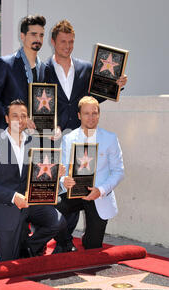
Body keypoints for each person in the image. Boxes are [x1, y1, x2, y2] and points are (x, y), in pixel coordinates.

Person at [44, 20, 127, 251]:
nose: (67, 46)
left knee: (80, 191)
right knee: (62, 193)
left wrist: (116, 86)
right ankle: (63, 241)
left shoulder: (86, 68)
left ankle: (67, 243)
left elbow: (95, 96)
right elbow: (39, 102)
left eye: (71, 41)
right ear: (53, 42)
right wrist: (51, 126)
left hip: (84, 136)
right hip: (57, 138)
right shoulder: (43, 69)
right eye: (63, 41)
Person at [0, 15, 47, 263]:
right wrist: (14, 118)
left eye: (41, 35)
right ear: (22, 36)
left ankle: (21, 241)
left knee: (24, 188)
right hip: (3, 137)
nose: (37, 39)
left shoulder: (44, 68)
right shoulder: (5, 63)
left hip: (31, 141)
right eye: (33, 34)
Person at [0, 100, 66, 261]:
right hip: (6, 206)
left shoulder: (35, 143)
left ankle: (29, 245)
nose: (19, 120)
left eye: (23, 116)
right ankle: (8, 246)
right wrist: (13, 197)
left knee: (58, 221)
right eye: (15, 116)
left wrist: (56, 175)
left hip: (30, 204)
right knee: (9, 261)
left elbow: (39, 176)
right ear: (6, 118)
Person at [55, 96, 124, 252]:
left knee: (93, 247)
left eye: (94, 113)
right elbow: (63, 170)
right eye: (86, 113)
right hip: (73, 193)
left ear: (99, 114)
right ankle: (66, 242)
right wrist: (63, 180)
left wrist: (101, 190)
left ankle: (87, 238)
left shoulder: (110, 138)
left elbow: (119, 171)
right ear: (79, 115)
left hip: (98, 194)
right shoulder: (68, 138)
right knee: (50, 208)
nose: (91, 117)